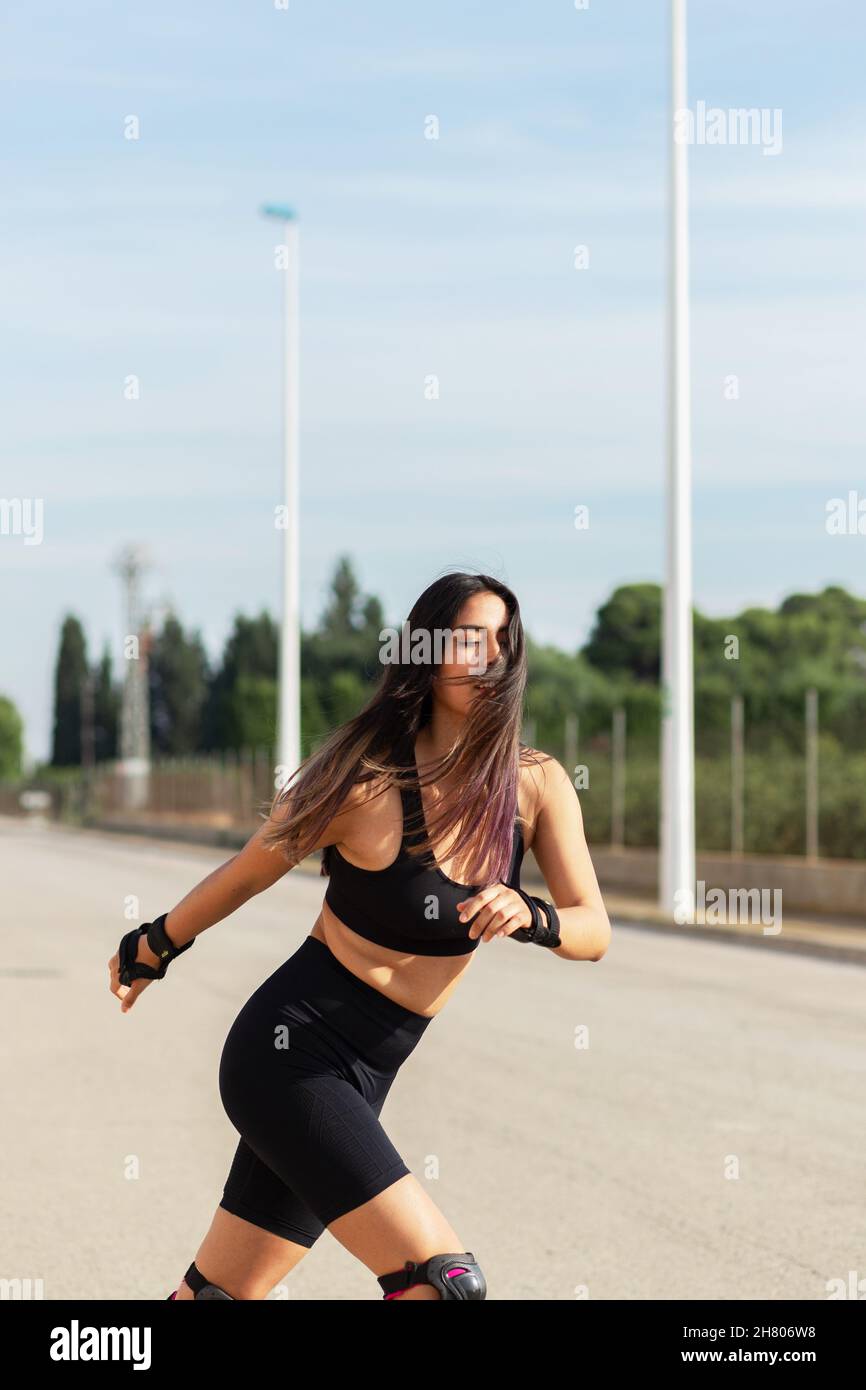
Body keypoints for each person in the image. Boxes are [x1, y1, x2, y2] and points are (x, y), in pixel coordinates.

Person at [108, 571, 611, 1300]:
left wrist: (536, 916)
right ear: (429, 652)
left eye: (504, 641)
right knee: (442, 1283)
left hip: (366, 1078)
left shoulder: (535, 786)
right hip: (288, 1059)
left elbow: (594, 929)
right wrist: (155, 943)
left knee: (216, 1296)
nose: (491, 657)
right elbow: (249, 872)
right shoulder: (364, 779)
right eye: (471, 639)